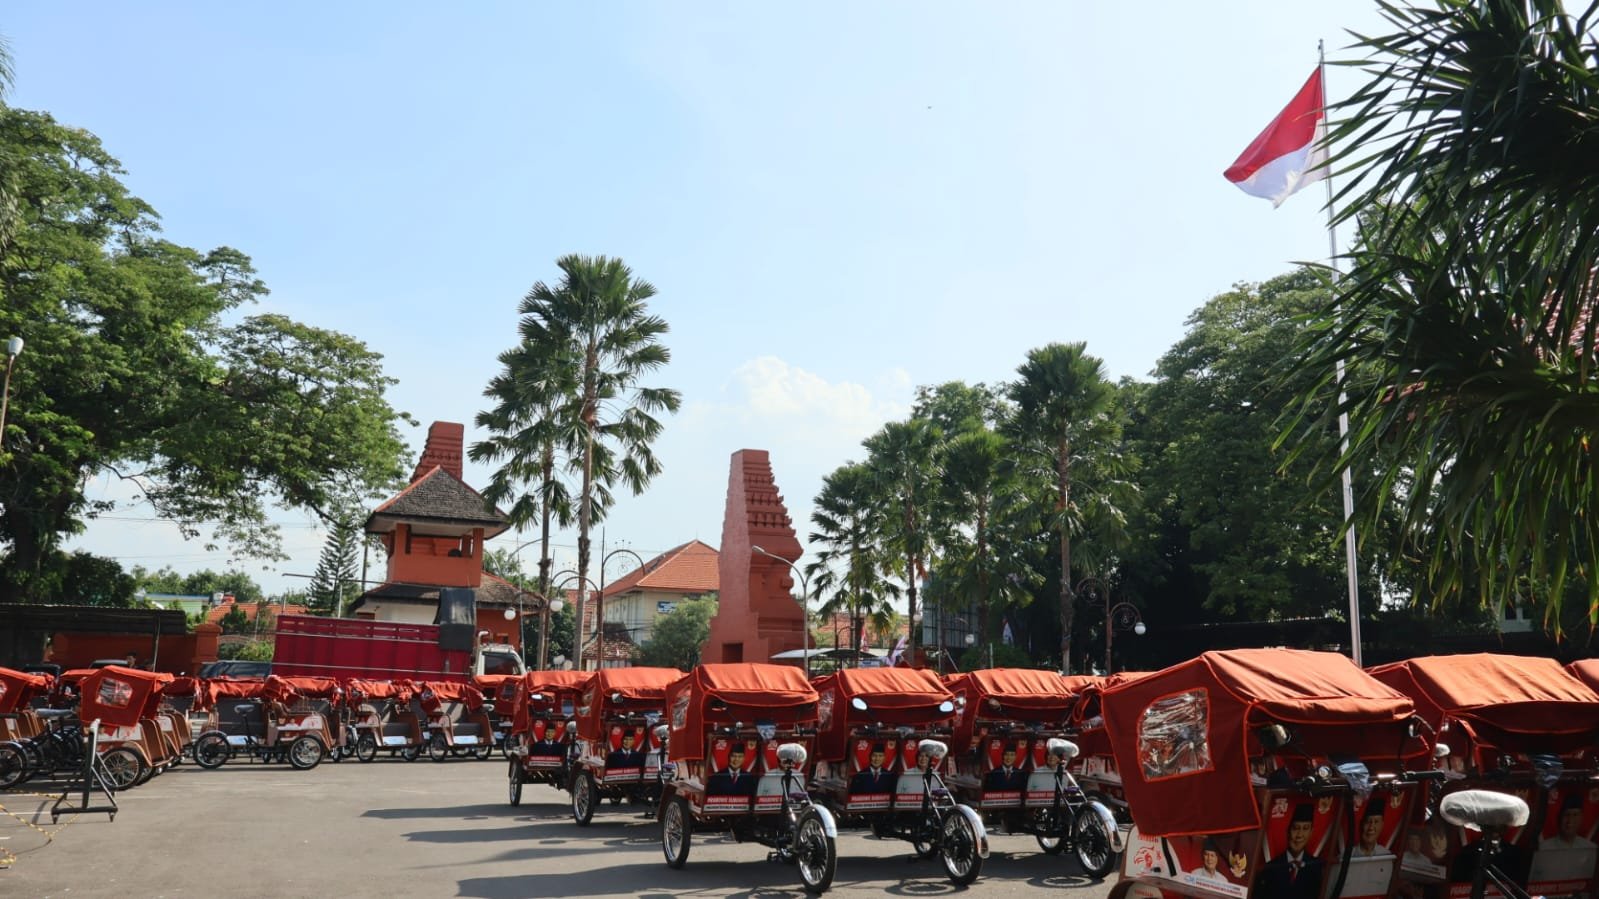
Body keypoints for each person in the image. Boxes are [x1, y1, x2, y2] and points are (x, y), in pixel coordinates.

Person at [1259, 803, 1324, 899]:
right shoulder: (1271, 867)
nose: (1299, 835)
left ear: (1311, 832)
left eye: (1305, 828)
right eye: (1295, 828)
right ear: (1288, 831)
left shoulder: (1316, 866)